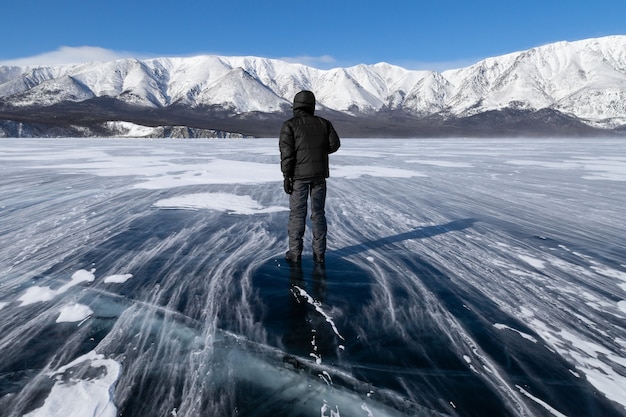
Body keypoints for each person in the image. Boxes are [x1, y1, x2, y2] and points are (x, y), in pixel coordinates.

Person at [279, 90, 341, 265]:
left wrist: (286, 176)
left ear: (296, 106)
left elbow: (287, 153)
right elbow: (334, 144)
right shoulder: (324, 123)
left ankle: (295, 253)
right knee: (318, 214)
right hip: (319, 176)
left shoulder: (289, 125)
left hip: (299, 177)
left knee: (297, 214)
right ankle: (319, 254)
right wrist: (319, 153)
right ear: (312, 106)